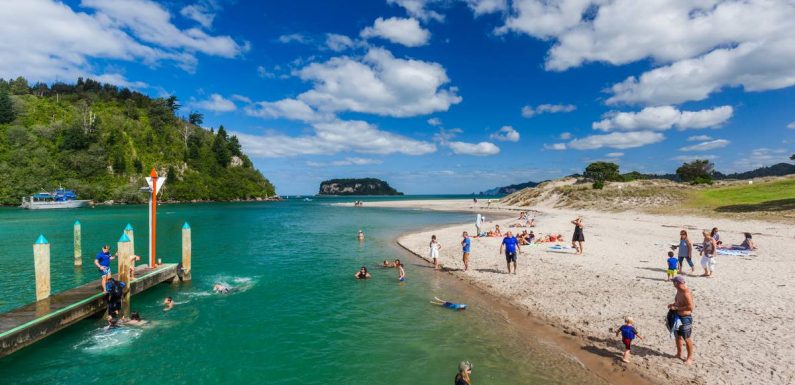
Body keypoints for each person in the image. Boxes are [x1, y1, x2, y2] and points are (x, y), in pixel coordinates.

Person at [668, 276, 694, 365]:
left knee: (687, 338)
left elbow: (691, 307)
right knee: (677, 336)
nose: (673, 284)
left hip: (685, 318)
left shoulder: (686, 292)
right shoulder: (678, 290)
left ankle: (690, 358)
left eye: (673, 282)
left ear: (677, 283)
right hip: (677, 316)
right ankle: (679, 353)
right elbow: (679, 302)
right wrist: (673, 304)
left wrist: (677, 308)